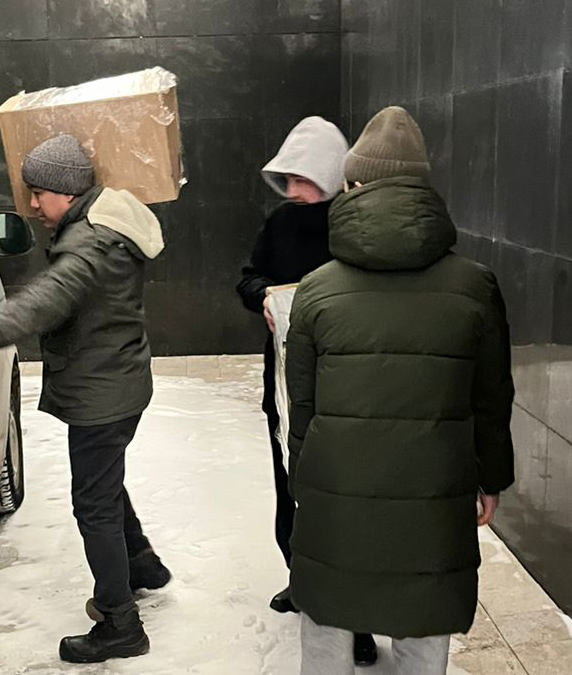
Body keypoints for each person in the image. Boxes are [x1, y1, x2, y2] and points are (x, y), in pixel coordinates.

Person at [284, 106, 516, 675]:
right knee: (424, 619)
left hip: (336, 498)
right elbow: (491, 399)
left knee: (327, 630)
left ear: (352, 185)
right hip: (434, 500)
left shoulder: (315, 291)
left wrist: (302, 482)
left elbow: (303, 408)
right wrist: (492, 477)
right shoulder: (476, 287)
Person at [0, 134, 171, 664]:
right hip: (119, 381)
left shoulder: (89, 242)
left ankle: (120, 625)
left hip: (102, 393)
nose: (32, 205)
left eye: (38, 193)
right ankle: (142, 566)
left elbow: (53, 293)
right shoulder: (106, 225)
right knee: (103, 484)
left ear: (65, 191)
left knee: (93, 504)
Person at [235, 117, 378, 667]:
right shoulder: (280, 223)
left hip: (346, 383)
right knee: (290, 486)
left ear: (326, 173)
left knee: (343, 502)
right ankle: (302, 581)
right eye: (287, 179)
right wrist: (263, 297)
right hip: (286, 380)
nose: (293, 190)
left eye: (302, 179)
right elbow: (248, 275)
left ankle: (357, 619)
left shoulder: (356, 223)